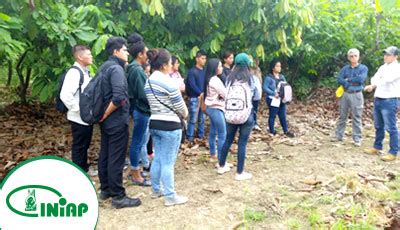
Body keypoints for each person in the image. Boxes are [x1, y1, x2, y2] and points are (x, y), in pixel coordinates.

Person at [97, 37, 141, 208]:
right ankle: (118, 196)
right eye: (124, 49)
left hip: (107, 121)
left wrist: (103, 116)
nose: (127, 52)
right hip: (115, 120)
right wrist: (105, 114)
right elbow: (118, 97)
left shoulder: (104, 66)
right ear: (116, 52)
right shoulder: (116, 69)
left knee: (106, 154)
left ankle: (106, 189)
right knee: (116, 157)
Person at [144, 48, 189, 206]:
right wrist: (186, 115)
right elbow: (182, 108)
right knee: (168, 162)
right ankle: (170, 196)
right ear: (164, 65)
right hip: (170, 125)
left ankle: (156, 190)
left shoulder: (148, 81)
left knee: (158, 158)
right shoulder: (168, 82)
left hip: (154, 122)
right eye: (170, 63)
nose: (172, 66)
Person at [217, 53, 255, 181]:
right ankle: (240, 173)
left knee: (228, 139)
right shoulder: (250, 78)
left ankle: (221, 165)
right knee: (242, 143)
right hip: (246, 114)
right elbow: (254, 95)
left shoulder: (229, 78)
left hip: (231, 113)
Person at [60, 45, 96, 175]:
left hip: (86, 117)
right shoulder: (74, 72)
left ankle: (83, 168)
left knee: (84, 145)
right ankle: (79, 172)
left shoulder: (85, 71)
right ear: (80, 57)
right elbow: (65, 95)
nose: (91, 56)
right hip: (78, 117)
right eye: (89, 54)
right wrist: (79, 110)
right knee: (79, 145)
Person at [364, 46, 400, 161]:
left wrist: (373, 85)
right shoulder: (383, 67)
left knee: (391, 127)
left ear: (395, 56)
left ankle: (393, 152)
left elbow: (387, 80)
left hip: (389, 100)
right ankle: (377, 147)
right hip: (378, 98)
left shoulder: (397, 68)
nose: (386, 56)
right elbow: (374, 78)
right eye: (385, 54)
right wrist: (373, 84)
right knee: (379, 125)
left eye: (389, 54)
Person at [126, 33, 151, 186]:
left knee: (140, 141)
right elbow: (143, 94)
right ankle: (136, 174)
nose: (148, 55)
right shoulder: (137, 70)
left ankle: (136, 169)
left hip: (139, 109)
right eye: (146, 52)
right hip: (141, 110)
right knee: (137, 142)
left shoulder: (134, 68)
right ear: (140, 54)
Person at [333, 48, 368, 146]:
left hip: (357, 94)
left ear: (358, 56)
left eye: (355, 56)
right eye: (351, 56)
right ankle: (338, 136)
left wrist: (347, 80)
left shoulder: (363, 68)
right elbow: (339, 79)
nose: (353, 58)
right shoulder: (345, 68)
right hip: (345, 94)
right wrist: (348, 83)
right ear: (348, 58)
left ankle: (357, 138)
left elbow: (361, 79)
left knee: (357, 116)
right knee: (342, 115)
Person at [263, 60, 294, 137]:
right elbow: (265, 87)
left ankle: (286, 131)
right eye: (277, 66)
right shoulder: (268, 77)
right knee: (272, 115)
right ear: (273, 68)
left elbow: (286, 86)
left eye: (280, 66)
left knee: (283, 115)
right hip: (273, 99)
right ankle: (271, 131)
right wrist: (273, 93)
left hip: (281, 99)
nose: (279, 68)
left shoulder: (282, 77)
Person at [203, 58, 226, 162]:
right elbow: (225, 94)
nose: (222, 68)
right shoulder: (215, 80)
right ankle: (221, 160)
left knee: (213, 131)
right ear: (215, 68)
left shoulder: (209, 79)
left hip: (211, 108)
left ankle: (213, 154)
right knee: (222, 134)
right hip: (216, 108)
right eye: (220, 66)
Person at [186, 50, 207, 143]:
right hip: (195, 98)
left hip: (203, 98)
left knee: (202, 119)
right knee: (193, 119)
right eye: (202, 58)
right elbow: (191, 84)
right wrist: (200, 93)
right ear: (197, 59)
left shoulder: (205, 71)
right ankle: (189, 138)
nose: (204, 60)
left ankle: (201, 136)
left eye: (205, 58)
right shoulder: (192, 71)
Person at [249, 57, 263, 131]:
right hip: (250, 93)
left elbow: (260, 81)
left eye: (257, 61)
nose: (257, 62)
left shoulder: (258, 69)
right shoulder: (248, 69)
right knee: (249, 108)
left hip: (257, 93)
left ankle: (254, 123)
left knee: (255, 109)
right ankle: (250, 123)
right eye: (255, 61)